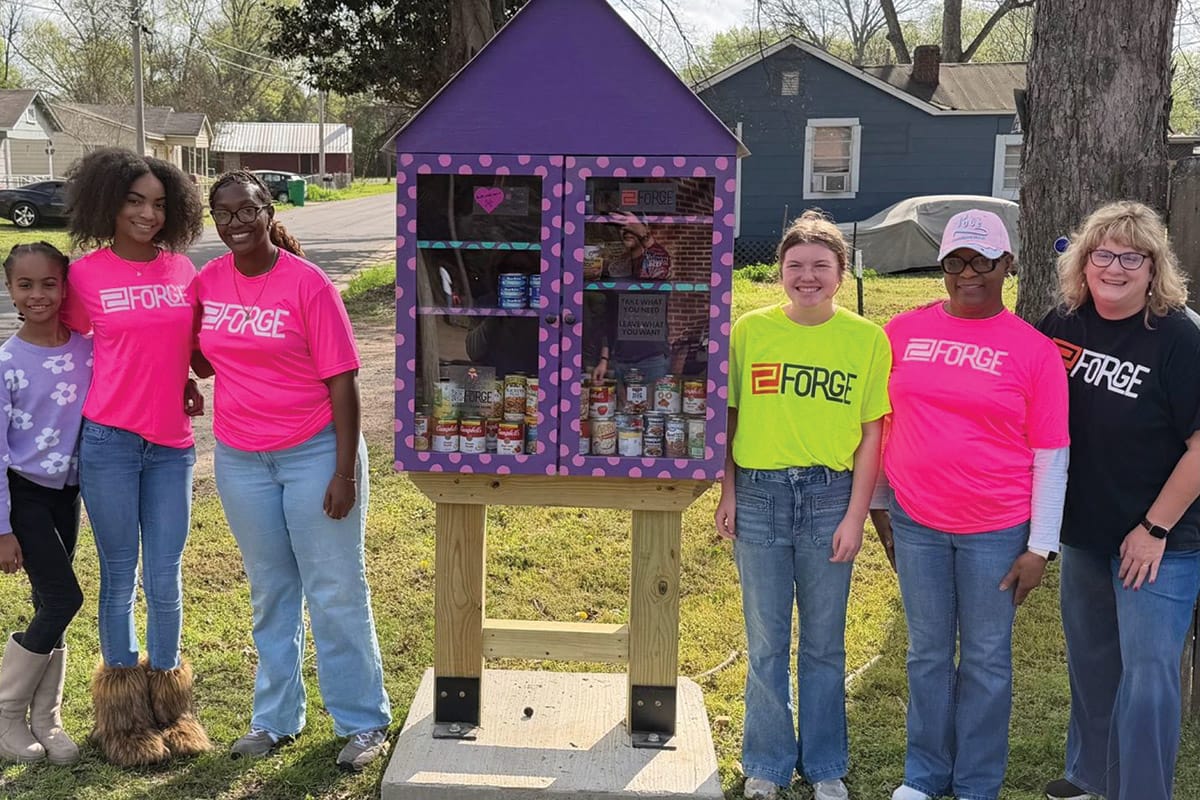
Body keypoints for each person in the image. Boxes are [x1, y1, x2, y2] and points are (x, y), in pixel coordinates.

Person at [869, 209, 1070, 800]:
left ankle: (977, 784)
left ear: (1008, 265)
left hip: (997, 529)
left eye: (983, 261)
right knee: (927, 654)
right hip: (916, 522)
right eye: (956, 261)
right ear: (942, 266)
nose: (968, 273)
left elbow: (1052, 454)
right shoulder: (900, 333)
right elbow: (879, 425)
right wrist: (880, 509)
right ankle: (924, 776)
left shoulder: (1034, 351)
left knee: (985, 659)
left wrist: (1041, 546)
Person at [196, 171, 392, 771]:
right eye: (223, 213)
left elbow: (343, 382)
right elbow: (201, 358)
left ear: (268, 211)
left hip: (314, 453)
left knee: (334, 588)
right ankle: (275, 718)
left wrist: (344, 473)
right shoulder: (209, 280)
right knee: (270, 590)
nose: (235, 223)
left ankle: (363, 721)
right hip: (240, 459)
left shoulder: (308, 284)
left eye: (246, 210)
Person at [714, 211, 892, 800]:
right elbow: (730, 417)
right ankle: (766, 763)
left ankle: (824, 764)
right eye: (795, 265)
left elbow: (871, 433)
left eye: (820, 265)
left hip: (828, 496)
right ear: (780, 272)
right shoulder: (750, 331)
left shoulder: (866, 339)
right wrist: (728, 491)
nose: (807, 276)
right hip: (759, 493)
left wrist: (855, 515)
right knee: (766, 640)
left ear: (842, 272)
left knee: (823, 642)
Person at [1038, 202, 1200, 800]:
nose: (1115, 268)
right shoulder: (1063, 322)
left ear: (1154, 268)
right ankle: (1090, 777)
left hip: (1161, 541)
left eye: (1132, 257)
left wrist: (1154, 530)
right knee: (1093, 664)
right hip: (1085, 531)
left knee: (1150, 677)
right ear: (1083, 262)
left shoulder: (1180, 336)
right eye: (1102, 254)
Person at [63, 147, 209, 766]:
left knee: (166, 576)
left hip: (172, 444)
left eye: (158, 204)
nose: (148, 214)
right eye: (134, 201)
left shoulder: (182, 270)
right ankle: (122, 722)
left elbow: (192, 346)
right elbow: (67, 353)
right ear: (108, 204)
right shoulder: (83, 276)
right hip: (109, 442)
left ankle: (171, 711)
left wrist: (188, 378)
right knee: (119, 574)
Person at [0, 243, 91, 766]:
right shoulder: (7, 363)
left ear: (64, 288)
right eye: (25, 285)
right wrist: (2, 528)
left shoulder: (87, 351)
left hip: (67, 494)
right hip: (23, 496)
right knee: (63, 599)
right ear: (10, 291)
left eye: (49, 284)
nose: (38, 295)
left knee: (48, 603)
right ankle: (7, 715)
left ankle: (45, 719)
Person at [590, 212, 676, 384]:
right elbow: (609, 317)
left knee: (653, 402)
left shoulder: (656, 262)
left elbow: (659, 264)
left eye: (631, 226)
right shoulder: (617, 267)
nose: (627, 231)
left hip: (652, 357)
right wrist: (604, 359)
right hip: (620, 358)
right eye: (623, 227)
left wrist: (642, 233)